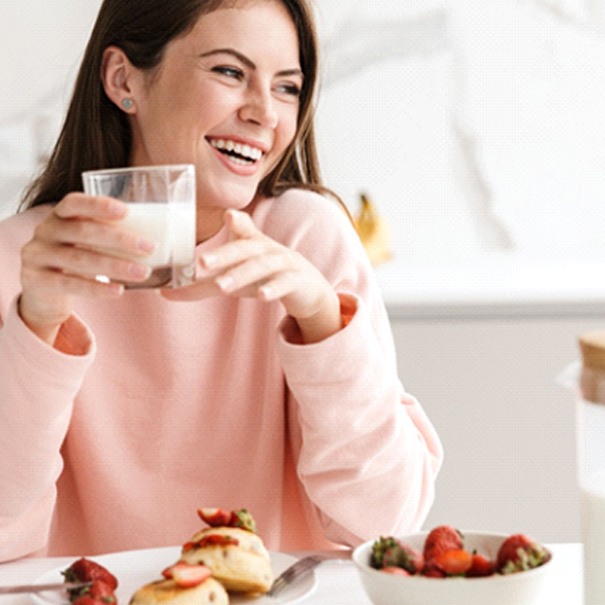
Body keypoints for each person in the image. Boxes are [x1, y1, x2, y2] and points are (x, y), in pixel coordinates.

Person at [0, 0, 443, 561]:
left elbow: (383, 523)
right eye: (230, 72)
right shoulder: (22, 260)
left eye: (287, 87)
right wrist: (36, 329)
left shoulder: (308, 237)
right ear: (123, 79)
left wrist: (321, 321)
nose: (265, 113)